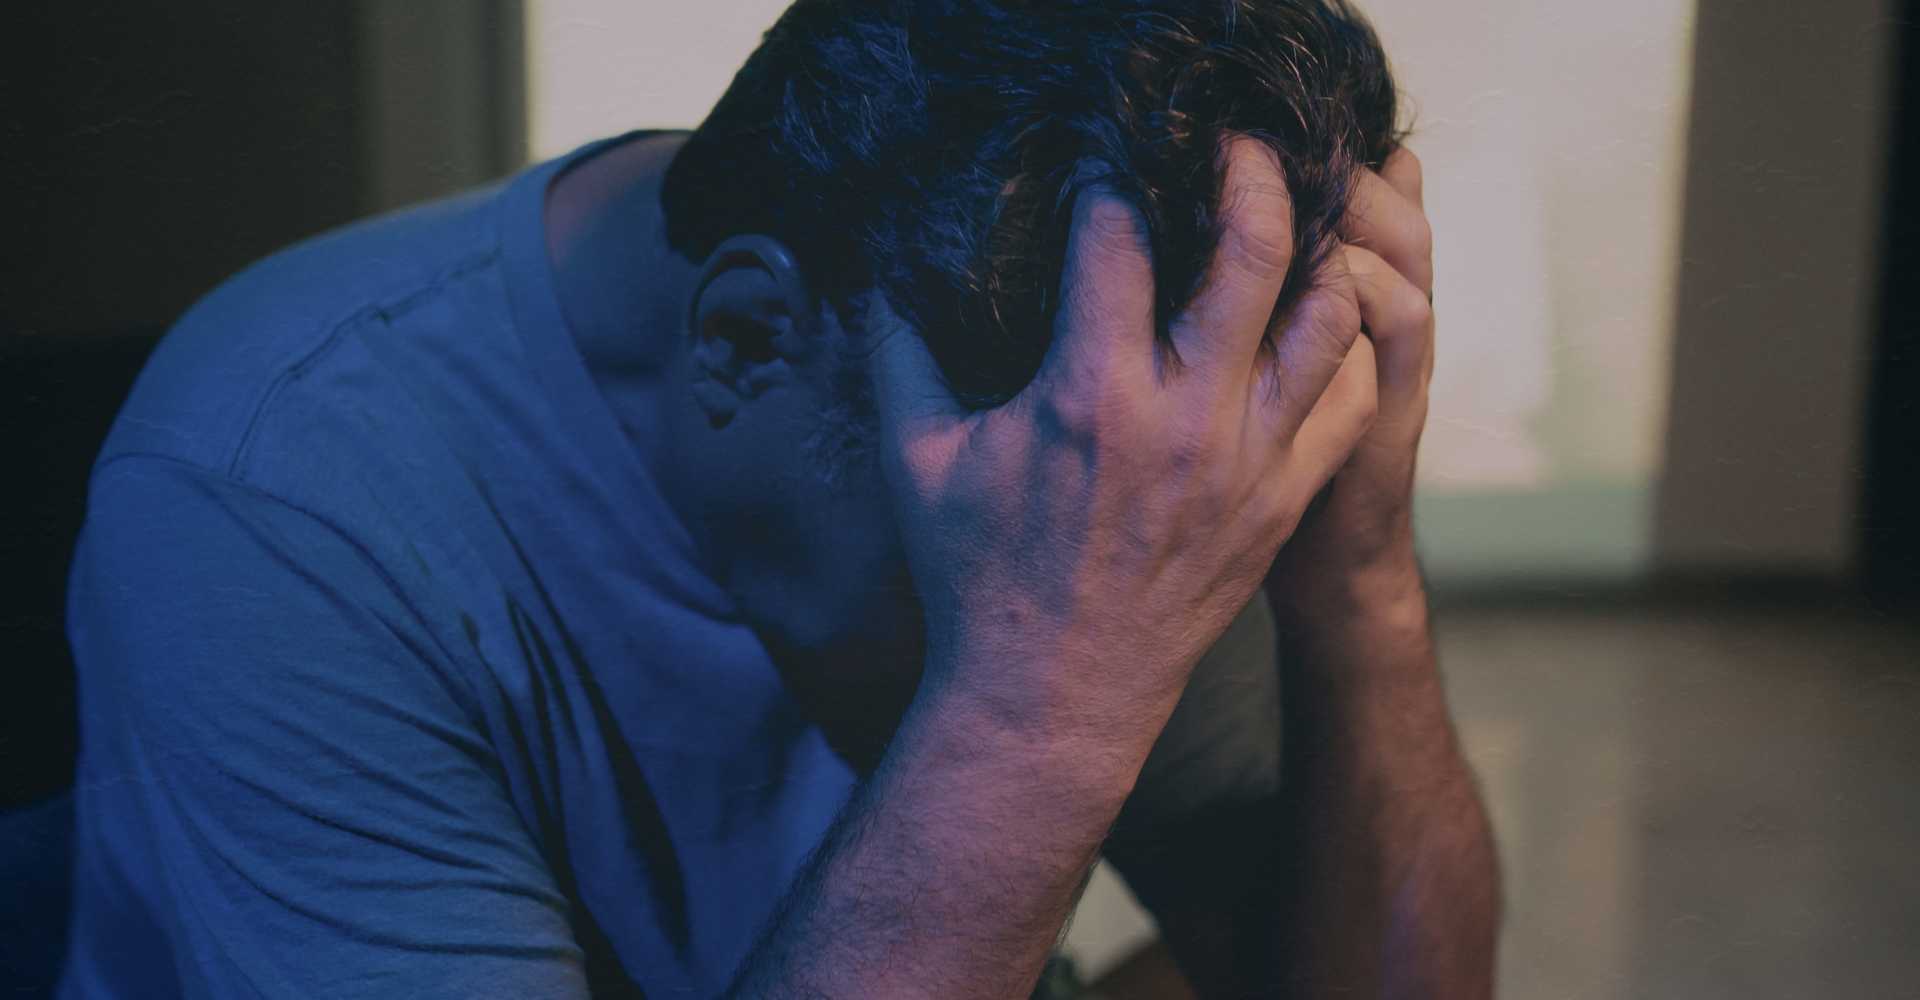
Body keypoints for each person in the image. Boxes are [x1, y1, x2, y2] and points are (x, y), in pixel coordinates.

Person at [60, 0, 1497, 996]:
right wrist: (1034, 708)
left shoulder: (1127, 434)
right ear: (745, 340)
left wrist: (1358, 578)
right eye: (989, 573)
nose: (1084, 606)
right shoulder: (274, 493)